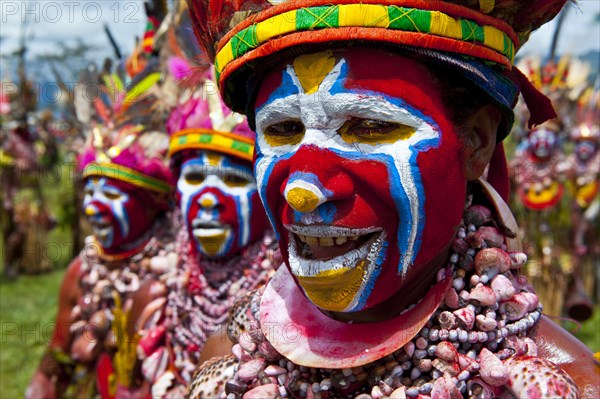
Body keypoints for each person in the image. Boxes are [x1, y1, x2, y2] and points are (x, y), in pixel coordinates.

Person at [183, 0, 600, 398]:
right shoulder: (228, 363)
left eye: (368, 127)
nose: (303, 191)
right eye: (284, 130)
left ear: (476, 141)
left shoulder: (561, 385)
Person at [122, 11, 279, 396]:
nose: (208, 199)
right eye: (194, 179)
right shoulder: (152, 300)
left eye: (234, 179)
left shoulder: (288, 313)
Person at [25, 60, 177, 398]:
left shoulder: (179, 274)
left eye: (110, 194)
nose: (92, 206)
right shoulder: (82, 270)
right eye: (90, 192)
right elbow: (57, 358)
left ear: (154, 201)